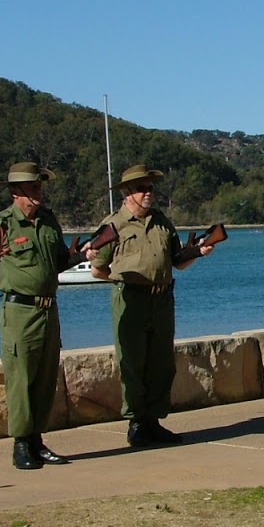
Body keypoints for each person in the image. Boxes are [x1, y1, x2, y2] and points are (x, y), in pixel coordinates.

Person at [88, 164, 213, 447]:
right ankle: (136, 424)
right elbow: (97, 269)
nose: (148, 193)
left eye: (151, 188)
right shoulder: (113, 225)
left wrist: (199, 253)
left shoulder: (161, 221)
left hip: (162, 300)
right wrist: (126, 282)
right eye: (142, 188)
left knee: (161, 363)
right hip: (130, 300)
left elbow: (177, 262)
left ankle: (153, 421)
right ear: (127, 192)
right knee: (132, 363)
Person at [0, 162, 75, 470]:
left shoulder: (47, 221)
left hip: (48, 309)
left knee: (45, 378)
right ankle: (20, 444)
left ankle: (37, 441)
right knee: (20, 379)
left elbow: (57, 262)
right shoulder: (1, 224)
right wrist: (9, 285)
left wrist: (82, 256)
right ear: (16, 192)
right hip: (19, 312)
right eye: (32, 188)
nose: (37, 193)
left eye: (40, 187)